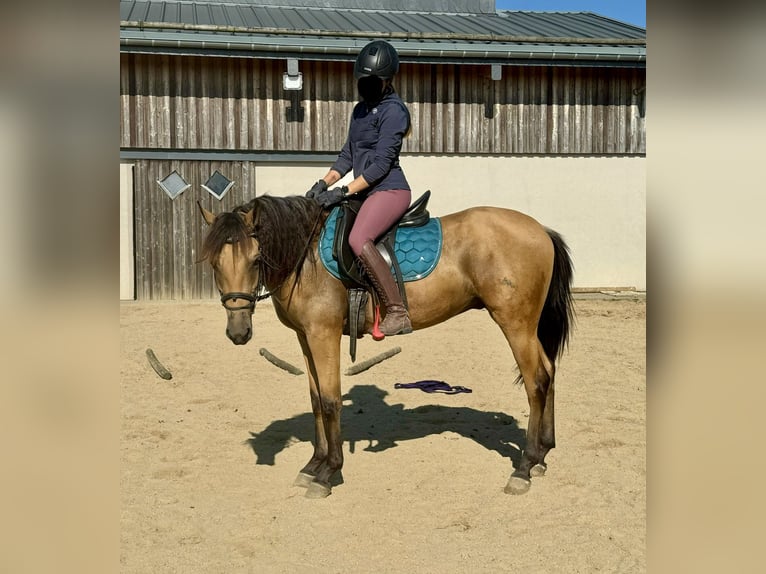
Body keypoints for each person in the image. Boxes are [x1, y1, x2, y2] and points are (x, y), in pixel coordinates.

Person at [306, 40, 412, 336]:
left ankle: (397, 310)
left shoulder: (395, 112)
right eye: (363, 80)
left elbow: (379, 165)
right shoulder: (359, 111)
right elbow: (347, 156)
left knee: (358, 238)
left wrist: (343, 191)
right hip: (363, 191)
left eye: (373, 80)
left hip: (389, 190)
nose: (366, 85)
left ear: (387, 80)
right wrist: (323, 183)